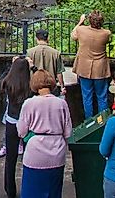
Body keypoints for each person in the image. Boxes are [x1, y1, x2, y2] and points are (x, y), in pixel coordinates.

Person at [16, 70, 72, 198]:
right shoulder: (61, 103)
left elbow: (21, 131)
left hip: (35, 154)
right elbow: (68, 131)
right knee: (54, 191)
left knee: (32, 192)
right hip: (57, 153)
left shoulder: (29, 104)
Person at [2, 57, 34, 198]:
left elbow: (3, 77)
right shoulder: (30, 85)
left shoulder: (8, 83)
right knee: (29, 158)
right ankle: (29, 188)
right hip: (27, 124)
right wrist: (33, 66)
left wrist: (13, 64)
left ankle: (10, 190)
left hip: (11, 122)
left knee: (11, 158)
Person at [72, 11, 112, 118]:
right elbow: (109, 41)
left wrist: (80, 22)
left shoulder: (81, 30)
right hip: (100, 69)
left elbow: (73, 35)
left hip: (84, 68)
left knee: (87, 97)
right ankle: (103, 121)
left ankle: (89, 122)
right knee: (102, 96)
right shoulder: (106, 33)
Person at [27, 29, 64, 95]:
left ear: (36, 38)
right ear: (48, 38)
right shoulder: (56, 53)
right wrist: (62, 86)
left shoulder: (30, 52)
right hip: (51, 86)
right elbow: (59, 73)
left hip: (35, 86)